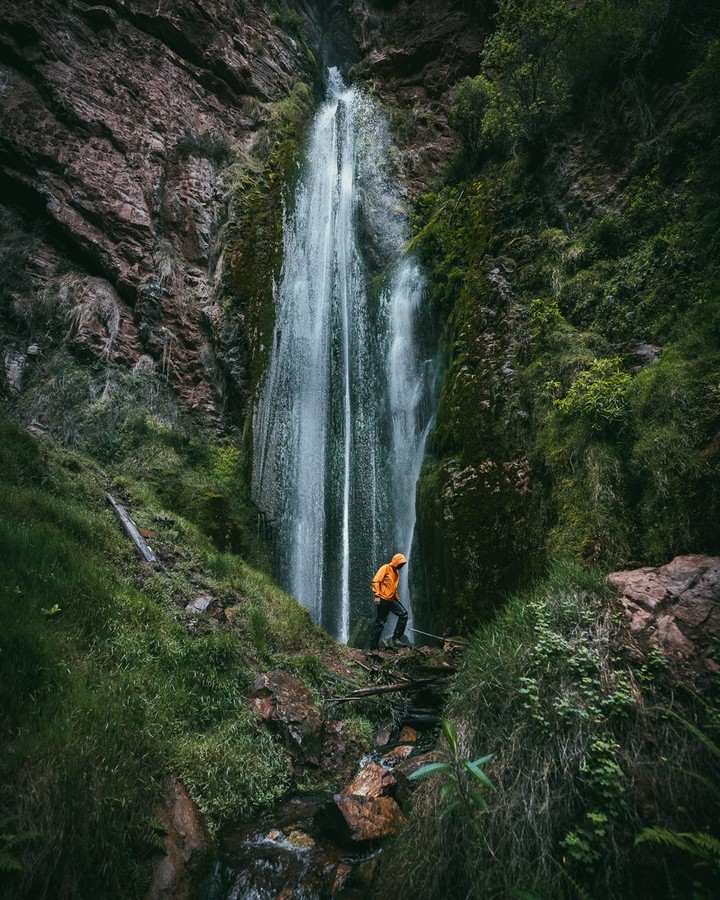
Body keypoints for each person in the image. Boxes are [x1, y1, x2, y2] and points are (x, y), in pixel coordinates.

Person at [369, 553, 409, 650]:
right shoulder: (386, 568)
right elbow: (376, 581)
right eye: (400, 564)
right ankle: (374, 647)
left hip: (392, 599)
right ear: (396, 561)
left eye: (402, 564)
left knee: (404, 614)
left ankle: (396, 638)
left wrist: (397, 600)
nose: (401, 566)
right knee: (380, 622)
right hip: (383, 599)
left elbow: (394, 588)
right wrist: (377, 596)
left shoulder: (397, 573)